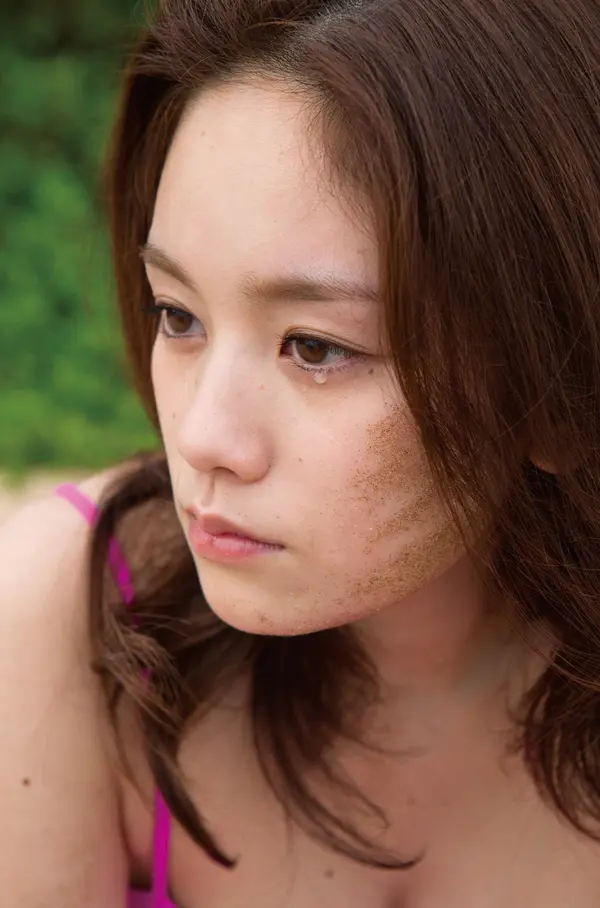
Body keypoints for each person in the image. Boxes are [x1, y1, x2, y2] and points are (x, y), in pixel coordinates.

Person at [3, 0, 600, 905]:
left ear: (557, 389)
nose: (203, 437)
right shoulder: (68, 619)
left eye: (316, 347)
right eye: (178, 315)